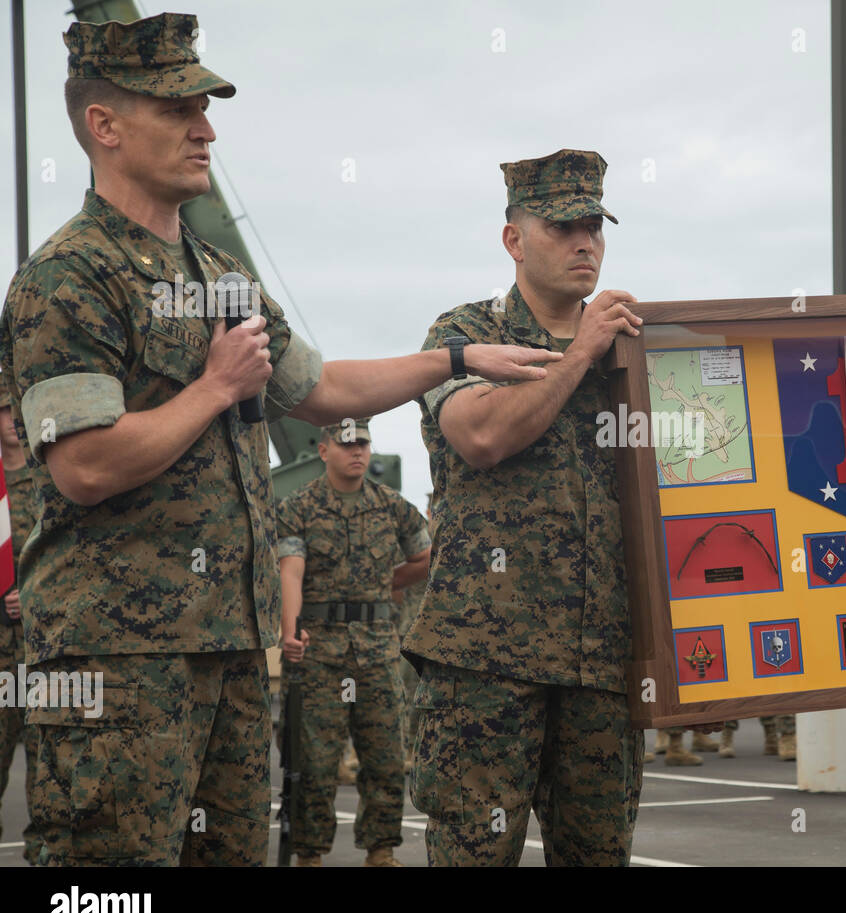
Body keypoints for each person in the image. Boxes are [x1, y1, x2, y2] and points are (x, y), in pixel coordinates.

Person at [0, 13, 558, 867]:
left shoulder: (222, 278)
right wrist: (216, 388)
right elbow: (82, 464)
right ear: (103, 126)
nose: (207, 129)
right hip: (117, 658)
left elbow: (322, 387)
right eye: (177, 108)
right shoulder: (65, 276)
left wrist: (451, 356)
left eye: (207, 106)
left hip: (228, 648)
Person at [404, 148, 648, 866]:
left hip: (601, 662)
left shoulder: (631, 350)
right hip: (485, 665)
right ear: (514, 239)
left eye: (595, 229)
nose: (585, 243)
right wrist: (578, 356)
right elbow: (481, 436)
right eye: (564, 226)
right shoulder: (467, 335)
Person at [277, 419, 430, 866]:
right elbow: (292, 571)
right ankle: (309, 855)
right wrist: (290, 629)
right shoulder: (300, 507)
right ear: (324, 451)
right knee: (314, 763)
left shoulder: (392, 506)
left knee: (384, 757)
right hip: (319, 650)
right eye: (346, 445)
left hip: (377, 649)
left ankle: (381, 852)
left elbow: (424, 555)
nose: (356, 452)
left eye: (362, 443)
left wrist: (387, 583)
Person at [0, 396, 40, 864]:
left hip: (41, 650)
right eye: (4, 410)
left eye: (18, 408)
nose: (13, 421)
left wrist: (33, 595)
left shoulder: (50, 478)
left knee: (50, 772)